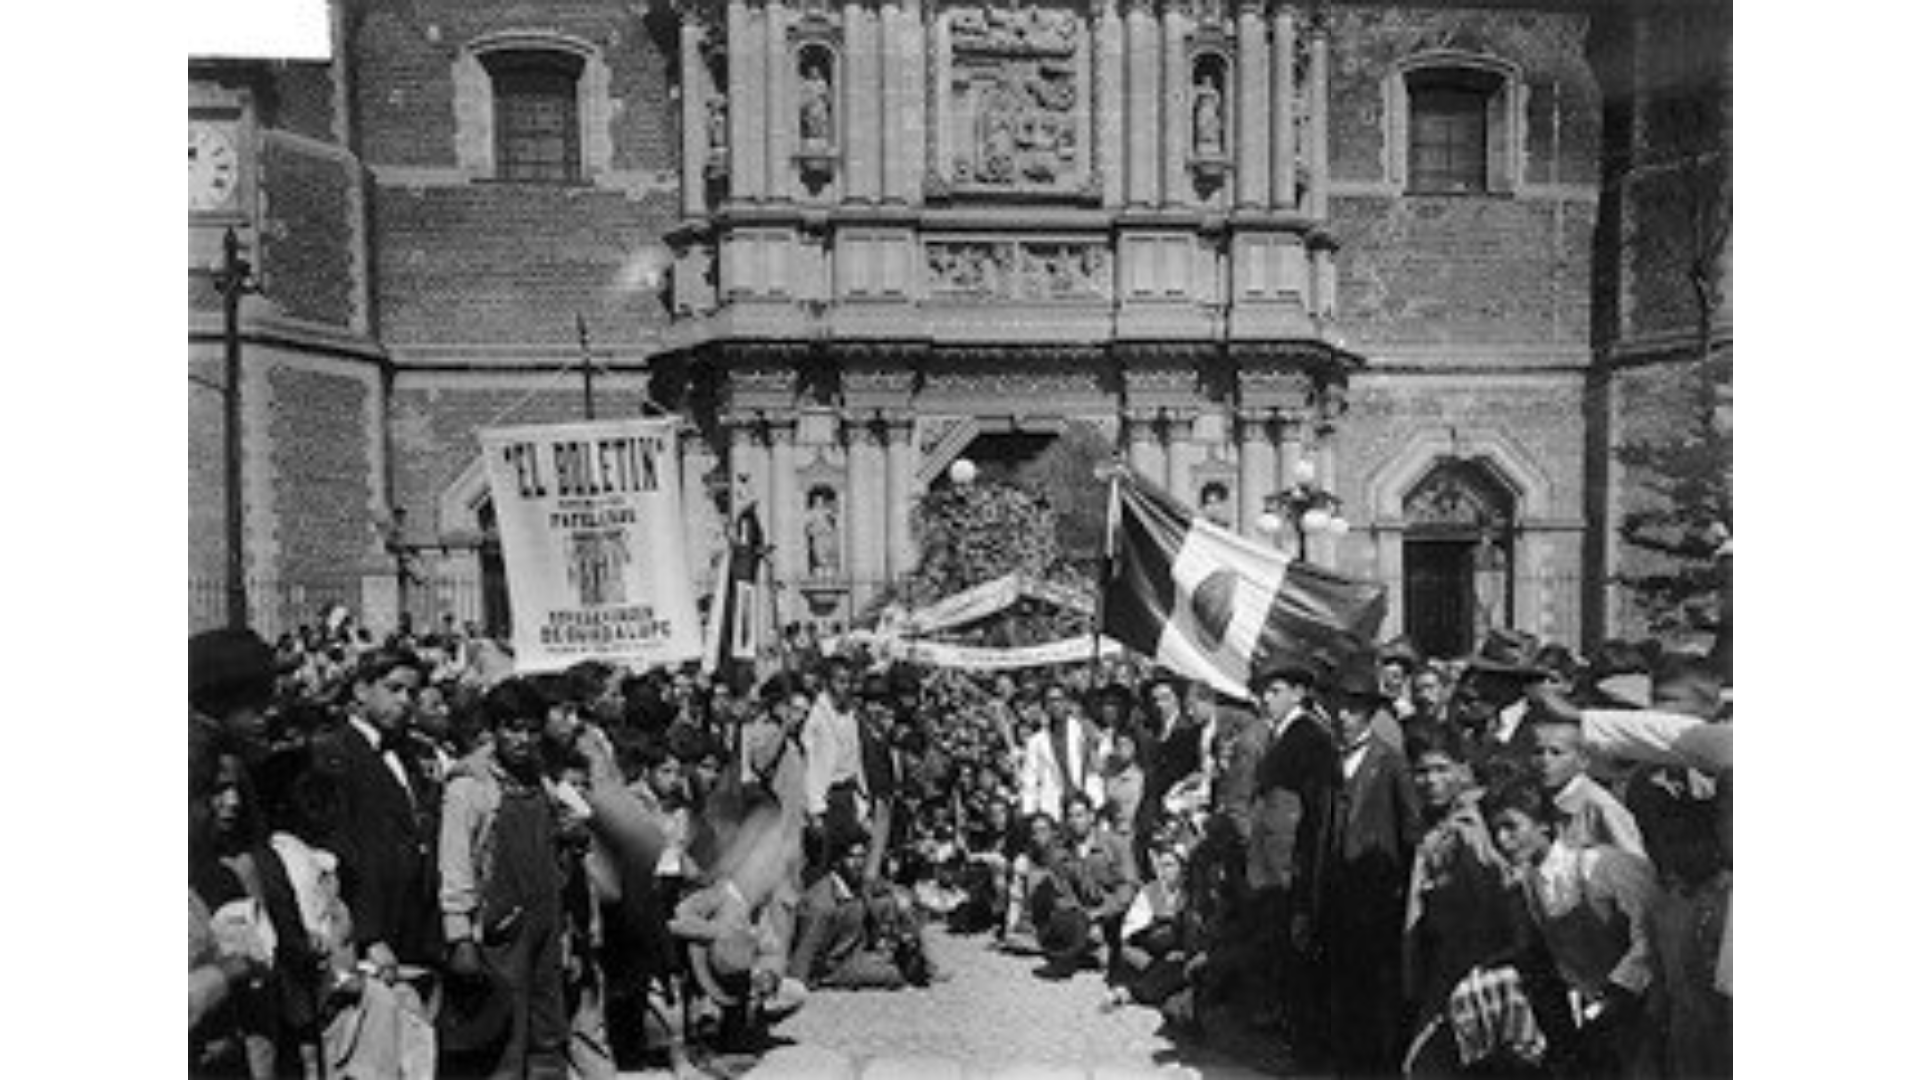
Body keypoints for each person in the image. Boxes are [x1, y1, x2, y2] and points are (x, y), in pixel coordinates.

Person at [439, 677, 573, 1079]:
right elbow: (456, 864)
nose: (524, 739)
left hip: (545, 924)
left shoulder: (542, 780)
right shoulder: (469, 787)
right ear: (494, 730)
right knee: (505, 1039)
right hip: (501, 930)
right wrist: (460, 937)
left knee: (548, 1029)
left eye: (532, 730)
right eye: (513, 728)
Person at [1484, 775, 1659, 1080]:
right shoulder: (1530, 885)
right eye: (1495, 830)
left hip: (1647, 1008)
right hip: (1603, 1020)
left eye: (1511, 826)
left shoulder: (1603, 866)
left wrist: (1619, 991)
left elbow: (1649, 934)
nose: (1502, 840)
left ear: (1546, 826)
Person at [1319, 649, 1423, 1078]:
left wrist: (1402, 896)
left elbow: (1411, 832)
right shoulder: (1328, 762)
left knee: (1379, 993)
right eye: (1339, 707)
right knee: (1343, 990)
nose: (1345, 717)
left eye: (1355, 709)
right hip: (1337, 899)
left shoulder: (1390, 763)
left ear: (1371, 714)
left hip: (1378, 902)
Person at [312, 647, 445, 982]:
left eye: (411, 693)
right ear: (361, 691)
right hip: (373, 928)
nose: (404, 701)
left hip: (415, 919)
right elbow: (339, 850)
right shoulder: (336, 754)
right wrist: (367, 935)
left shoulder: (411, 753)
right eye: (393, 688)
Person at [1401, 724, 1533, 1049]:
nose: (1431, 781)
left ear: (1463, 769)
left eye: (1441, 769)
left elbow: (1491, 900)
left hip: (1471, 963)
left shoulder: (1468, 829)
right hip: (1444, 959)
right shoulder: (1433, 822)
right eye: (1422, 772)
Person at [1030, 792, 1141, 981]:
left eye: (1080, 815)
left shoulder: (1116, 844)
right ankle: (1083, 947)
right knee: (1060, 921)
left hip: (1116, 913)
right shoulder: (1059, 850)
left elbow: (1129, 887)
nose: (1075, 821)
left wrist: (1100, 914)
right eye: (1071, 816)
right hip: (1084, 914)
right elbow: (1062, 892)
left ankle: (1100, 949)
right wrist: (1083, 919)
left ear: (1091, 816)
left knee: (1124, 955)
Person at [1019, 681, 1109, 825]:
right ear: (1044, 706)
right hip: (1055, 808)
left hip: (1088, 801)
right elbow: (1030, 780)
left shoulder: (1083, 728)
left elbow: (1104, 756)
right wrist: (1028, 812)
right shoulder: (1035, 741)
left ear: (1067, 702)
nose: (1055, 705)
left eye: (1059, 700)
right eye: (1050, 701)